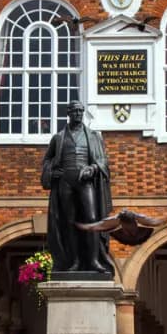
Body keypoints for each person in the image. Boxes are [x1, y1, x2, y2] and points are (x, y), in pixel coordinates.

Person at [39, 100, 114, 274]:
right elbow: (47, 160)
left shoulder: (94, 136)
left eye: (81, 111)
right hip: (65, 182)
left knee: (93, 218)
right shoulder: (58, 138)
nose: (78, 114)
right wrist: (52, 171)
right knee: (69, 222)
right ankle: (74, 261)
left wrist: (93, 168)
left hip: (85, 182)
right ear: (69, 113)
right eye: (75, 111)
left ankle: (94, 260)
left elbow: (102, 160)